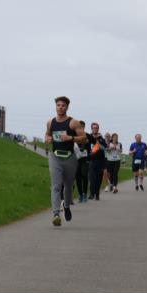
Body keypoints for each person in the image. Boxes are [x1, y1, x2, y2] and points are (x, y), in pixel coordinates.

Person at [45, 96, 87, 226]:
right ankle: (56, 214)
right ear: (55, 106)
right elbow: (47, 134)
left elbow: (84, 138)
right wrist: (48, 139)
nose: (60, 107)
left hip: (69, 157)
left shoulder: (73, 122)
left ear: (67, 107)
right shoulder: (50, 122)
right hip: (55, 157)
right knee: (56, 186)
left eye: (63, 105)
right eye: (58, 105)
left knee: (68, 186)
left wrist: (70, 137)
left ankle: (66, 206)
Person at [85, 123, 107, 201]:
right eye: (94, 128)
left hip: (100, 161)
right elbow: (86, 146)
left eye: (97, 128)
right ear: (91, 129)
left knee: (99, 178)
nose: (95, 129)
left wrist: (98, 145)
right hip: (91, 160)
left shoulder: (101, 139)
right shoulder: (88, 137)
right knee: (91, 178)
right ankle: (91, 194)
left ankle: (97, 194)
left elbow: (105, 148)